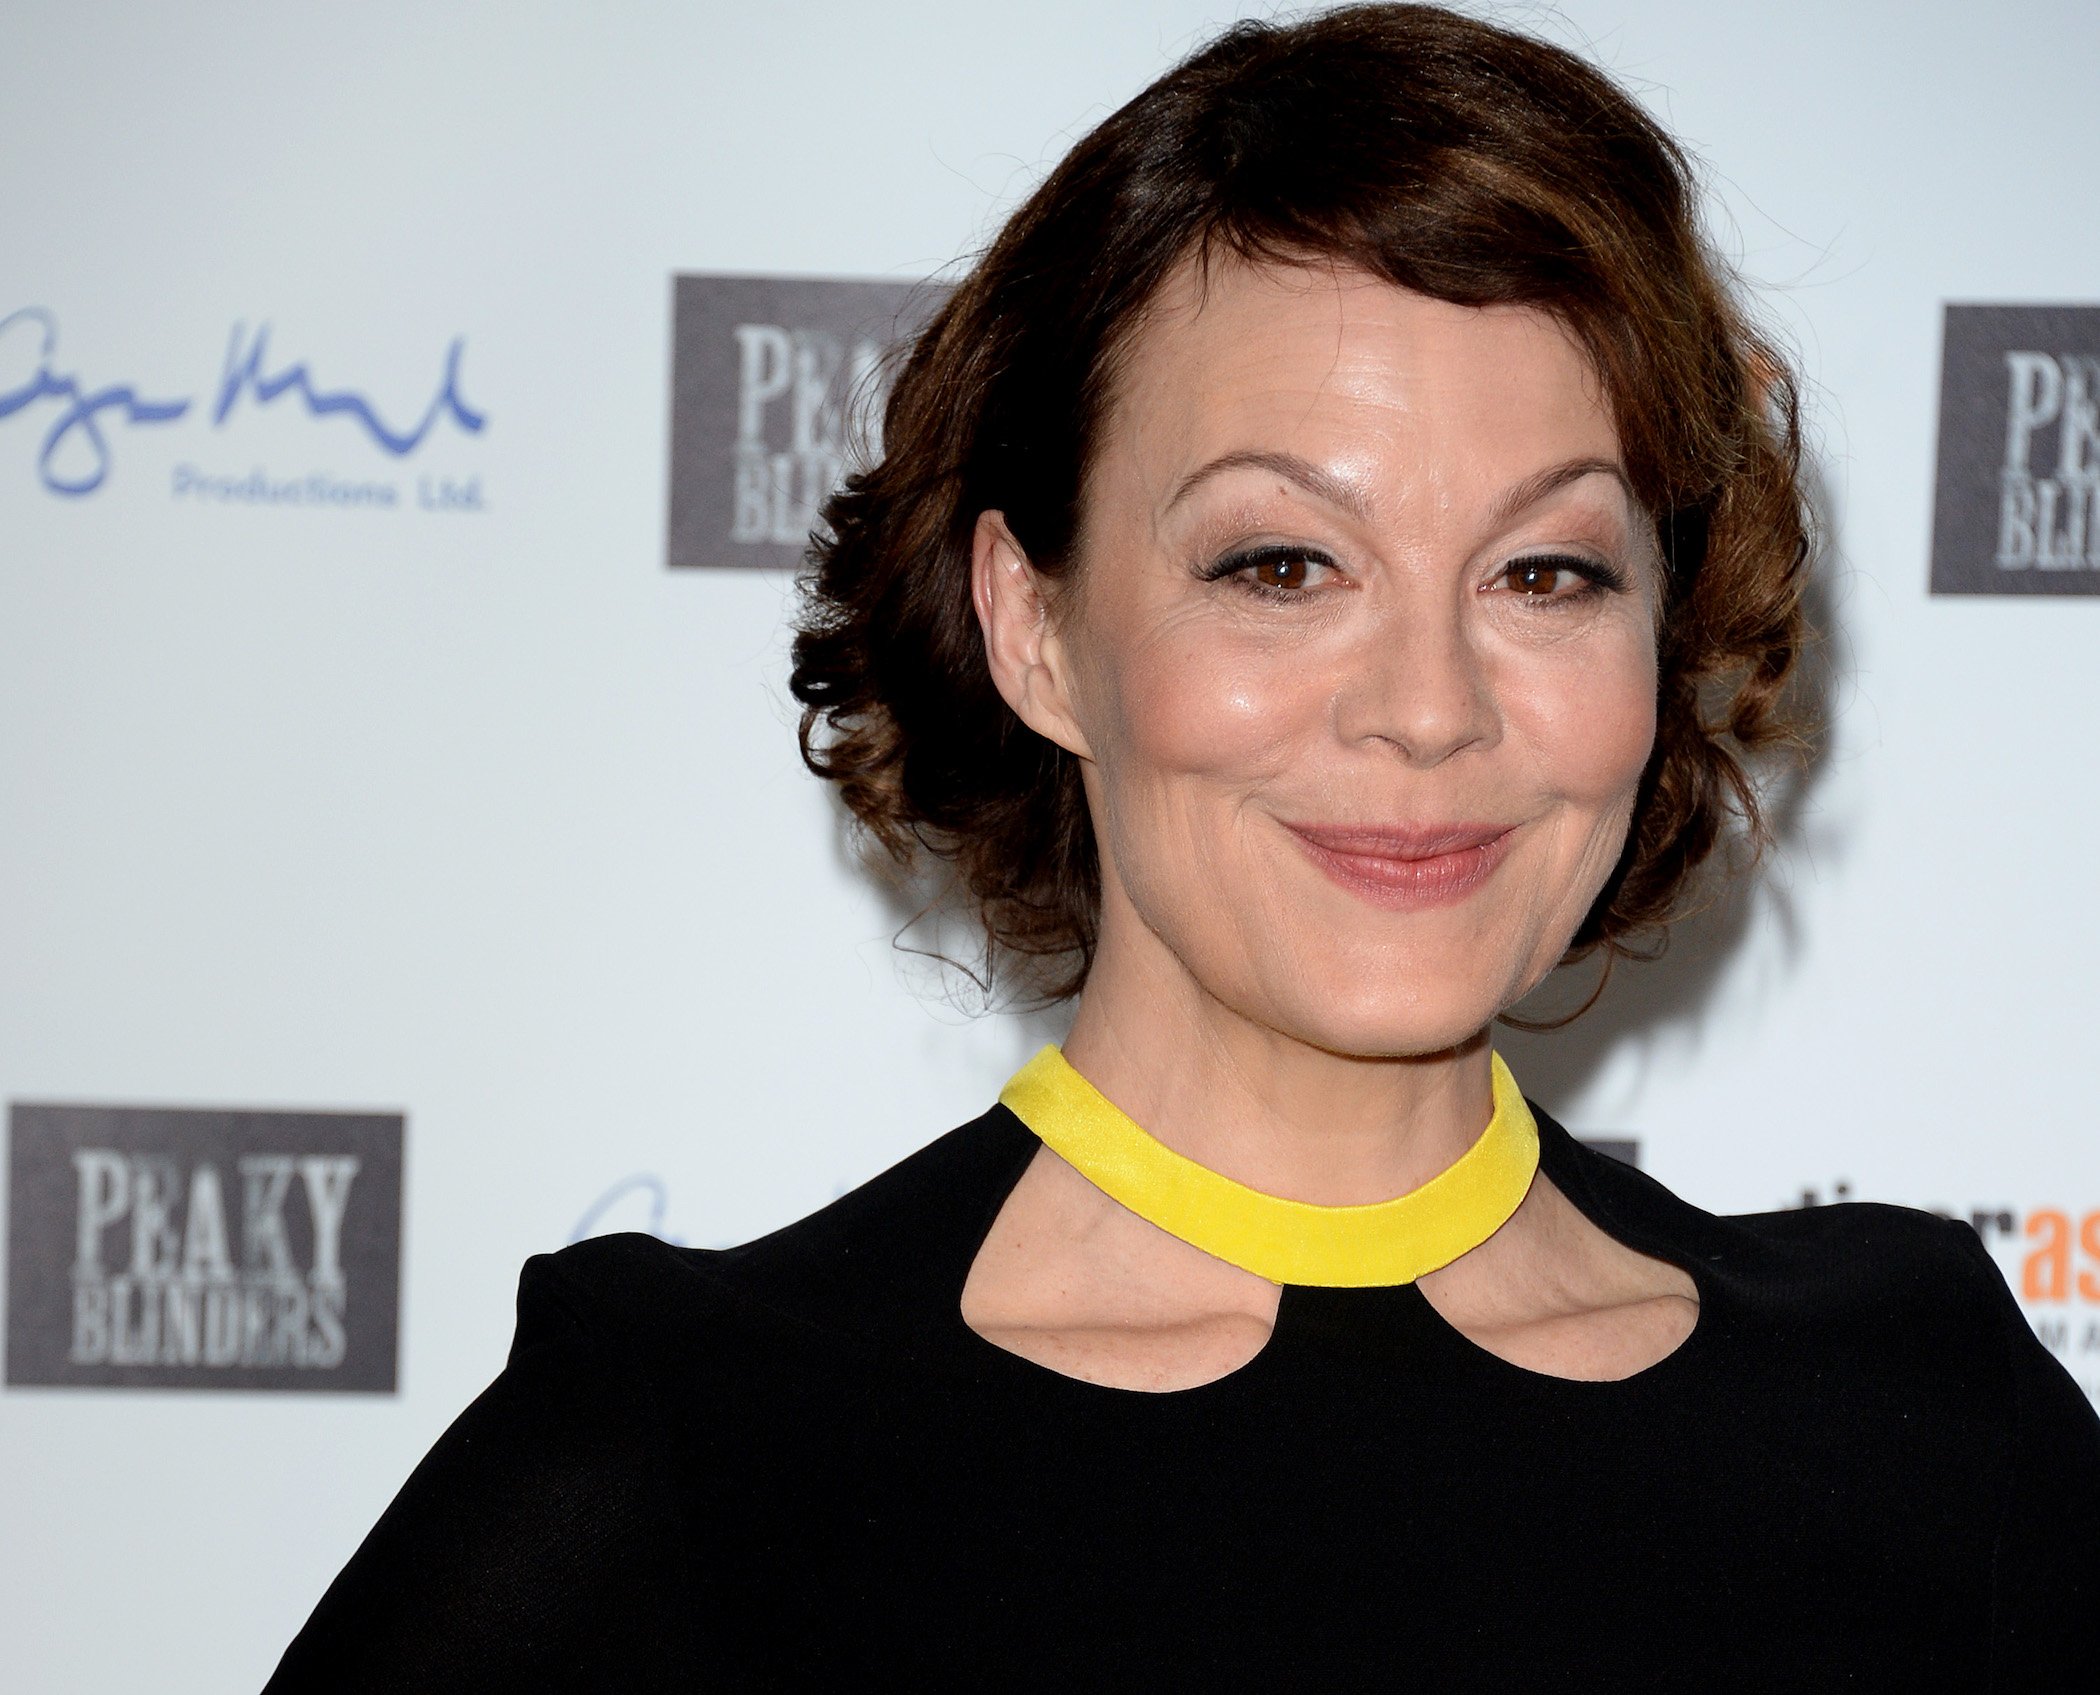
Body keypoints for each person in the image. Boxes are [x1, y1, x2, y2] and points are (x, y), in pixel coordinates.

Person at [268, 5, 2100, 1687]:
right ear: (1037, 626)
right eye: (1280, 564)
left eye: (1546, 570)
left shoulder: (1913, 1408)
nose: (1429, 706)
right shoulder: (697, 1449)